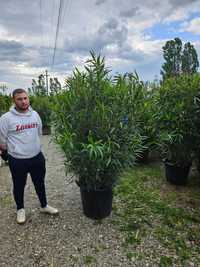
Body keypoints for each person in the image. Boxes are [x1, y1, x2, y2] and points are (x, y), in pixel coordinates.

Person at [0, 88, 58, 224]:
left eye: (25, 98)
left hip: (36, 157)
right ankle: (20, 209)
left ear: (28, 99)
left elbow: (39, 132)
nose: (23, 101)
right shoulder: (6, 119)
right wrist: (12, 152)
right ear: (13, 100)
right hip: (17, 160)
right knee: (19, 185)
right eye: (19, 99)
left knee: (40, 183)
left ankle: (44, 206)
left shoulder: (35, 114)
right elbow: (2, 140)